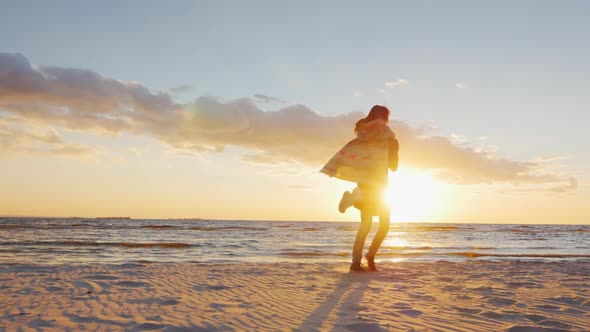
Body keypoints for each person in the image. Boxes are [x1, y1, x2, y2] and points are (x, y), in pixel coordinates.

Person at [321, 105, 399, 272]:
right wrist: (394, 147)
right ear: (385, 117)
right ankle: (369, 255)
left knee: (366, 225)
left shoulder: (362, 135)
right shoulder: (388, 136)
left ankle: (356, 262)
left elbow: (350, 154)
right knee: (384, 225)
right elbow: (394, 166)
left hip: (365, 183)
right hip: (379, 185)